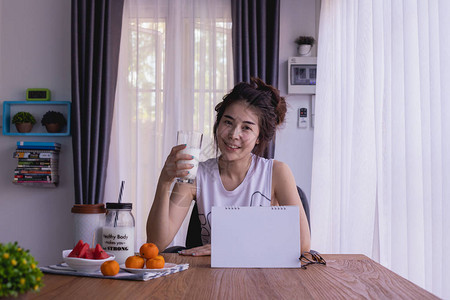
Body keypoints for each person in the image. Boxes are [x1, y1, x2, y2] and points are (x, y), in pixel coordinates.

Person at [147, 77, 311, 256]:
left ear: (258, 137)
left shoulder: (276, 173)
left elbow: (303, 245)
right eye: (228, 122)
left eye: (246, 128)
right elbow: (156, 243)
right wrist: (164, 182)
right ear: (218, 125)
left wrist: (230, 248)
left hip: (262, 276)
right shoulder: (194, 176)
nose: (234, 134)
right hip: (212, 277)